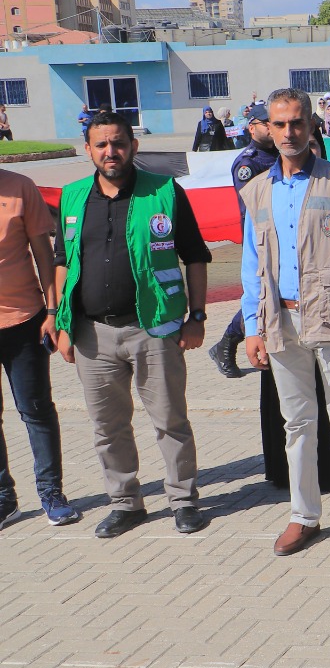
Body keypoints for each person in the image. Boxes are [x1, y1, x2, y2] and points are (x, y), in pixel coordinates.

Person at [240, 88, 330, 558]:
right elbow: (249, 263)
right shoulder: (257, 190)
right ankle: (304, 515)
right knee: (296, 423)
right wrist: (251, 326)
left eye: (297, 123)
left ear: (311, 125)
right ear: (267, 127)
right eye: (279, 124)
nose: (288, 133)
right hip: (280, 319)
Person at [54, 110, 210, 539]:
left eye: (118, 142)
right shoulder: (72, 198)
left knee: (169, 419)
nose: (111, 151)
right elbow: (61, 263)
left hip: (154, 328)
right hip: (92, 335)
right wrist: (59, 320)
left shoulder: (165, 192)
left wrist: (196, 317)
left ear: (133, 146)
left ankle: (183, 499)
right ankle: (125, 503)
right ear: (87, 149)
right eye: (101, 144)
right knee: (108, 426)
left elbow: (195, 255)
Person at [0, 165, 75, 528]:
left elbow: (44, 253)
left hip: (23, 319)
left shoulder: (19, 187)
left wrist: (52, 309)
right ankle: (4, 498)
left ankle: (51, 492)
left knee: (35, 409)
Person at [210, 106, 277, 378]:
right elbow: (255, 203)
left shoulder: (283, 155)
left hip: (285, 238)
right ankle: (227, 342)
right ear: (252, 127)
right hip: (261, 241)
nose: (272, 128)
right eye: (266, 123)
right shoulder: (248, 163)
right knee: (260, 297)